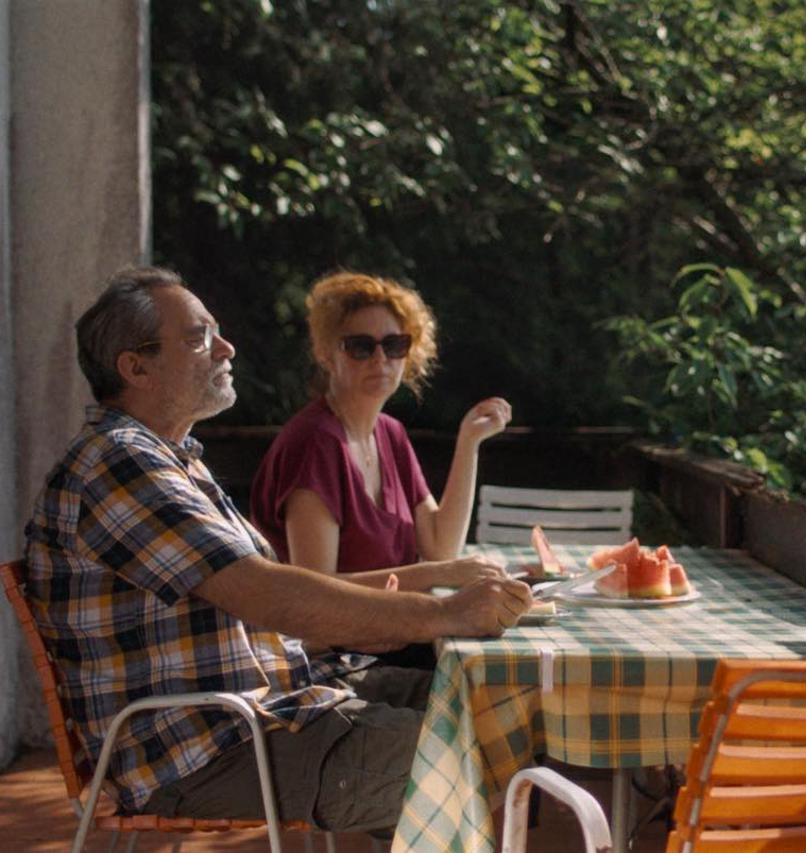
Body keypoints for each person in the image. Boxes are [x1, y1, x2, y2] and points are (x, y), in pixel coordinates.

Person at [23, 266, 532, 836]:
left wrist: (376, 621)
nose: (226, 347)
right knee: (460, 756)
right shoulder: (119, 462)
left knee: (486, 706)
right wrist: (442, 612)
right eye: (199, 338)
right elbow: (269, 595)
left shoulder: (171, 458)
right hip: (202, 746)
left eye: (217, 332)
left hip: (271, 703)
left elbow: (265, 598)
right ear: (136, 368)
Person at [249, 270, 511, 666]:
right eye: (360, 346)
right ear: (325, 353)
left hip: (391, 641)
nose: (380, 359)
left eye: (394, 345)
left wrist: (468, 443)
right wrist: (435, 574)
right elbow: (314, 593)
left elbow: (440, 545)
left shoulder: (390, 433)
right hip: (332, 664)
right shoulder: (315, 443)